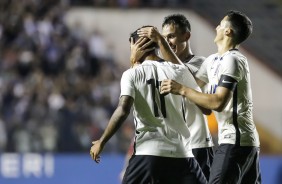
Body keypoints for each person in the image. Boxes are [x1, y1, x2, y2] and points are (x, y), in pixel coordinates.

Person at [90, 26, 207, 184]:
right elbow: (203, 102)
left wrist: (101, 141)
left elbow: (123, 110)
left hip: (148, 152)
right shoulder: (179, 71)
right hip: (181, 153)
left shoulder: (132, 74)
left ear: (137, 46)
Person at [160, 10, 261, 183]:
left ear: (228, 31)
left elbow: (218, 102)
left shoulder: (234, 60)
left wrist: (182, 89)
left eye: (221, 24)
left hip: (236, 141)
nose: (217, 27)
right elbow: (191, 83)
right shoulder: (212, 60)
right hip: (236, 141)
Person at [131, 14, 214, 180]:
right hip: (173, 147)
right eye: (164, 37)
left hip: (197, 144)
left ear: (187, 36)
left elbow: (182, 75)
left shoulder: (200, 63)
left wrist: (159, 42)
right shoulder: (160, 67)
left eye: (171, 36)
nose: (167, 41)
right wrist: (134, 63)